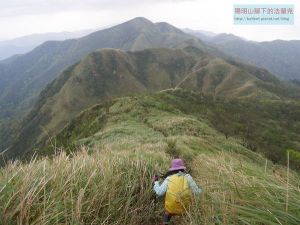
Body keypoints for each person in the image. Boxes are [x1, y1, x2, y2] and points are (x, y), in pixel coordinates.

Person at [153, 158, 202, 225]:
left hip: (171, 208)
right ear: (182, 168)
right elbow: (197, 192)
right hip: (185, 208)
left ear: (172, 169)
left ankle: (165, 223)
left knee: (167, 211)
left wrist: (156, 182)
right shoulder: (188, 177)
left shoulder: (169, 178)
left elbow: (159, 192)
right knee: (187, 209)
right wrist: (203, 190)